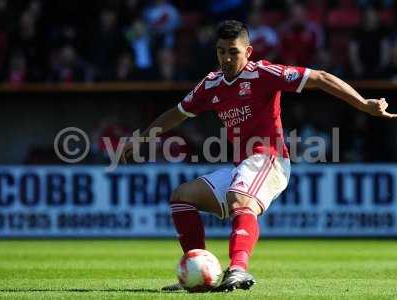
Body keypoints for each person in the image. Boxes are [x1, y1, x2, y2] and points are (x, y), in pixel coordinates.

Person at [121, 20, 396, 292]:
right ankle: (198, 272)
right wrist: (142, 137)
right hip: (243, 165)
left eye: (233, 51)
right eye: (221, 51)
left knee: (240, 199)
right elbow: (177, 113)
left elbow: (320, 78)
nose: (227, 58)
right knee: (182, 197)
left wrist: (364, 104)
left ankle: (238, 268)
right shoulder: (211, 84)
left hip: (271, 160)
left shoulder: (264, 74)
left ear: (248, 51)